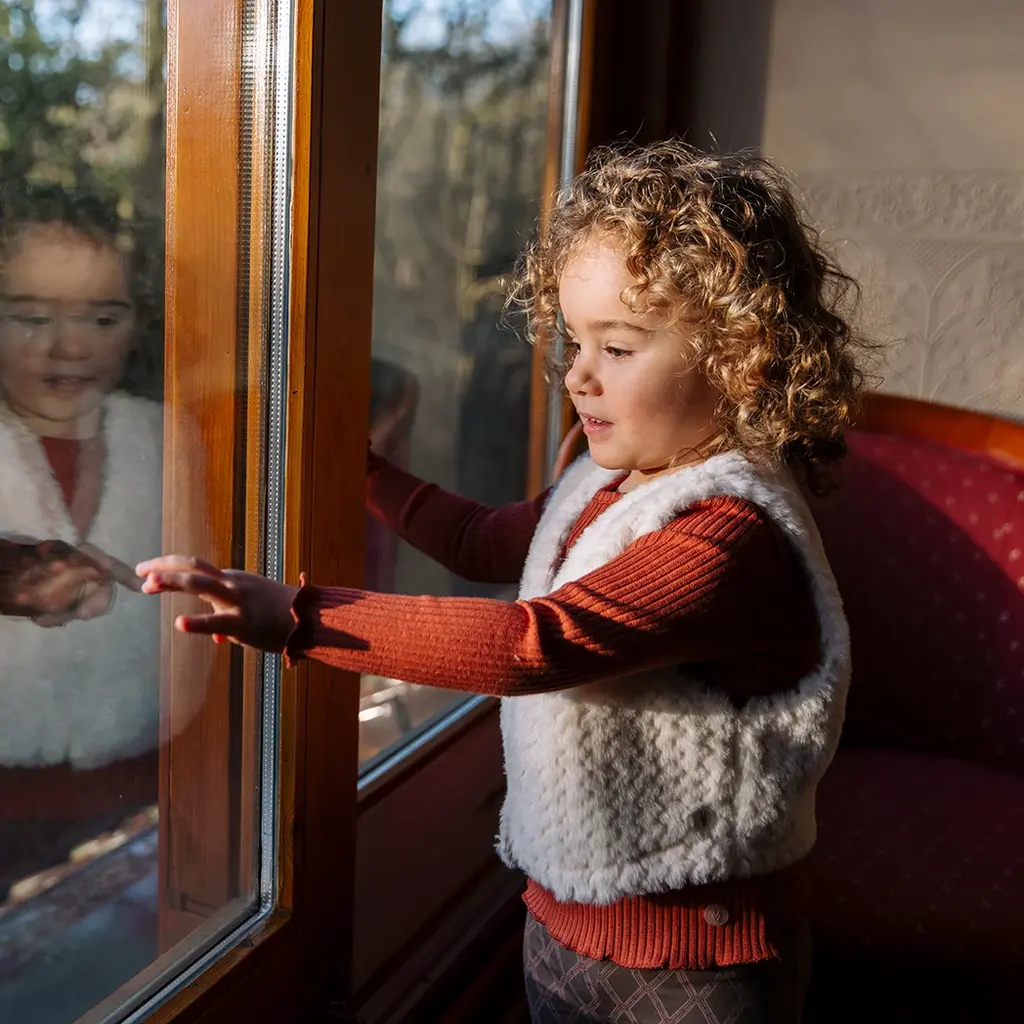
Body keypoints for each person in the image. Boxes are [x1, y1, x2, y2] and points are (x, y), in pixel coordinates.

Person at [137, 141, 868, 1023]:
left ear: (742, 358)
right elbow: (484, 542)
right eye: (576, 341)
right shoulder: (611, 482)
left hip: (696, 960)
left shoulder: (730, 536)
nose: (578, 374)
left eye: (618, 347)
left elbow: (534, 644)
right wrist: (360, 470)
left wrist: (300, 616)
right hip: (564, 919)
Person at [0, 185, 163, 899]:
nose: (68, 347)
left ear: (137, 323)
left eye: (101, 317)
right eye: (32, 317)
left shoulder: (174, 442)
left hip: (146, 803)